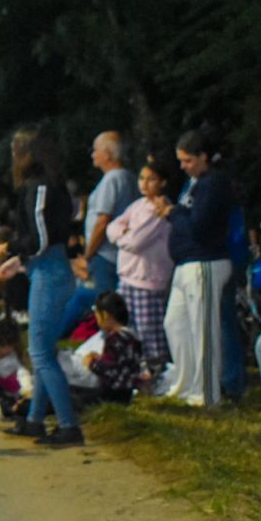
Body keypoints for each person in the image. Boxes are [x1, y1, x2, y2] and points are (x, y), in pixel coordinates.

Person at [0, 128, 84, 445]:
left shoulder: (40, 187)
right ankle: (35, 420)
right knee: (43, 350)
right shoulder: (45, 185)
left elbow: (40, 240)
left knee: (40, 352)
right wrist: (18, 260)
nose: (14, 156)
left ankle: (69, 426)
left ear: (29, 154)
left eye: (17, 150)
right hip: (47, 270)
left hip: (50, 274)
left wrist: (8, 247)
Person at [155, 129, 234, 407]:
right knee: (174, 323)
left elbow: (200, 226)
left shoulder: (214, 183)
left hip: (206, 261)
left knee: (204, 331)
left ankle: (208, 394)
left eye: (188, 160)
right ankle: (186, 383)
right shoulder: (194, 183)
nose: (183, 166)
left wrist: (174, 213)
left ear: (203, 157)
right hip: (186, 263)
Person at [59, 132, 138, 337]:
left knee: (107, 308)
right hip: (121, 253)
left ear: (107, 154)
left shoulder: (111, 180)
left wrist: (88, 254)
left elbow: (102, 221)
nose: (92, 154)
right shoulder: (129, 177)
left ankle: (112, 349)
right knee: (94, 298)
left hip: (105, 254)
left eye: (96, 149)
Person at [106, 158, 173, 370]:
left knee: (149, 329)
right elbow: (112, 227)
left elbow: (136, 241)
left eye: (151, 179)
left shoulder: (160, 210)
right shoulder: (137, 205)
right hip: (127, 277)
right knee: (127, 326)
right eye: (142, 178)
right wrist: (123, 233)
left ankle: (156, 368)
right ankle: (134, 366)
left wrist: (124, 235)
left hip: (148, 279)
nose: (144, 183)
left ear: (162, 182)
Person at [71, 291, 143, 406]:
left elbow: (109, 371)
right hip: (127, 393)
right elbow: (120, 363)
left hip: (113, 394)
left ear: (105, 315)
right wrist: (101, 358)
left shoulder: (115, 340)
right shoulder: (132, 336)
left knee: (72, 396)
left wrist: (91, 362)